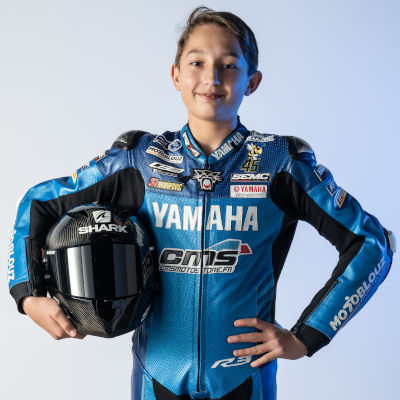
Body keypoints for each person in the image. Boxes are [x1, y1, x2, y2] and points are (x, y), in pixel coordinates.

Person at [7, 6, 395, 400]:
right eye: (197, 62)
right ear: (176, 75)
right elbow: (38, 202)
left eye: (229, 65)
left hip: (245, 376)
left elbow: (372, 243)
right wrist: (28, 293)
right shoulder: (137, 161)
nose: (212, 77)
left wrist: (306, 336)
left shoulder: (282, 164)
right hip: (157, 372)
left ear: (252, 81)